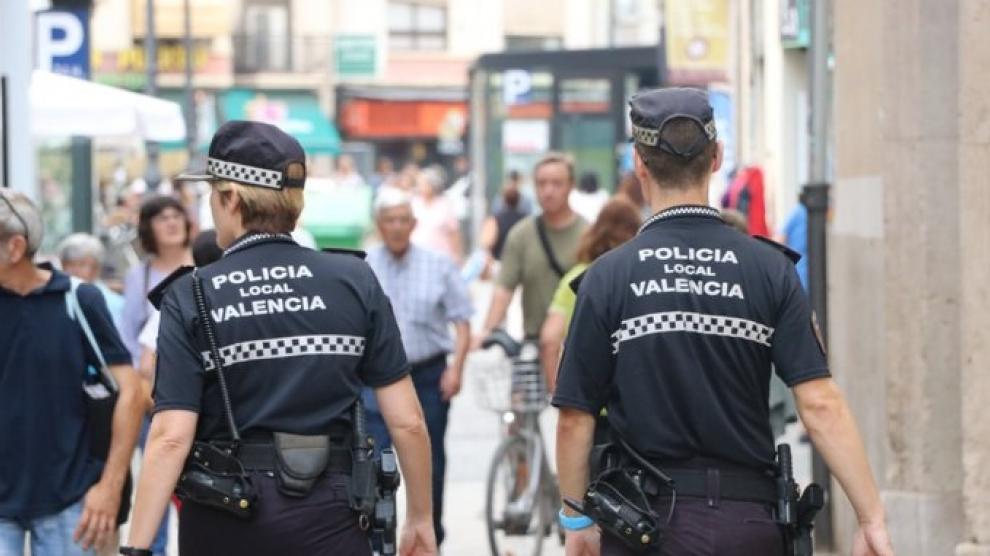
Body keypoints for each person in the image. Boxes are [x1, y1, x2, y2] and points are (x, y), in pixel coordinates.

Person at [552, 88, 894, 556]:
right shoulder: (770, 270)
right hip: (749, 525)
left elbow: (575, 418)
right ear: (717, 157)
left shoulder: (608, 278)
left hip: (646, 529)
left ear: (639, 163)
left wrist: (577, 520)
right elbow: (820, 406)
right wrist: (870, 516)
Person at [122, 120, 436, 556]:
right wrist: (420, 519)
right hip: (334, 517)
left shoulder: (191, 293)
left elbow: (171, 437)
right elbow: (408, 421)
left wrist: (136, 549)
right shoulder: (353, 279)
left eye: (213, 193)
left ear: (231, 198)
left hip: (225, 522)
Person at [0, 189, 143, 556]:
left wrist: (109, 487)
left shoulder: (78, 300)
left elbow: (132, 391)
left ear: (15, 248)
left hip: (71, 503)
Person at [364, 188, 473, 547]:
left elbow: (462, 321)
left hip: (426, 375)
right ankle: (383, 541)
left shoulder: (438, 264)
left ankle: (429, 538)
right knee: (375, 462)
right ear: (379, 225)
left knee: (430, 463)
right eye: (389, 220)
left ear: (413, 224)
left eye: (403, 220)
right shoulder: (365, 267)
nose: (396, 227)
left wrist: (456, 368)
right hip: (376, 380)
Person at [477, 153, 588, 368]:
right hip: (534, 346)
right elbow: (503, 290)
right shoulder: (521, 235)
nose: (548, 191)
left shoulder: (589, 235)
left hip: (579, 348)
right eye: (541, 184)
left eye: (557, 183)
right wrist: (486, 333)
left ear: (571, 186)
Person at [539, 199, 640, 391]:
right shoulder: (641, 275)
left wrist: (558, 395)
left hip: (586, 400)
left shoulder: (577, 277)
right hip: (630, 402)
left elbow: (550, 340)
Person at [58, 233, 126, 331]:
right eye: (70, 264)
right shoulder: (56, 300)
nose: (75, 270)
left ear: (97, 268)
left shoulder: (114, 303)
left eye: (82, 264)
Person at [411, 165, 463, 262]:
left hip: (440, 257)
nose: (420, 187)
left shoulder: (445, 205)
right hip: (417, 257)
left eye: (423, 184)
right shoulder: (414, 203)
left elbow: (454, 233)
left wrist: (457, 256)